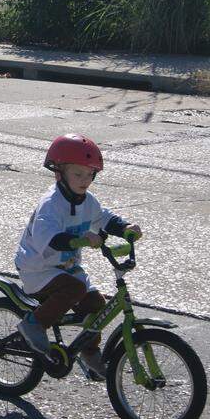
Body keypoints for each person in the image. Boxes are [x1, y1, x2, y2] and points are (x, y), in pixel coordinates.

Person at [13, 134, 142, 380]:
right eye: (78, 174)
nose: (85, 181)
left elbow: (103, 217)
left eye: (90, 174)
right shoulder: (51, 204)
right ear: (59, 174)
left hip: (66, 267)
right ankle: (33, 324)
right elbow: (46, 236)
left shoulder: (87, 201)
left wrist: (125, 228)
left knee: (95, 303)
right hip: (38, 268)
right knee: (74, 288)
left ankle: (89, 351)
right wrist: (78, 240)